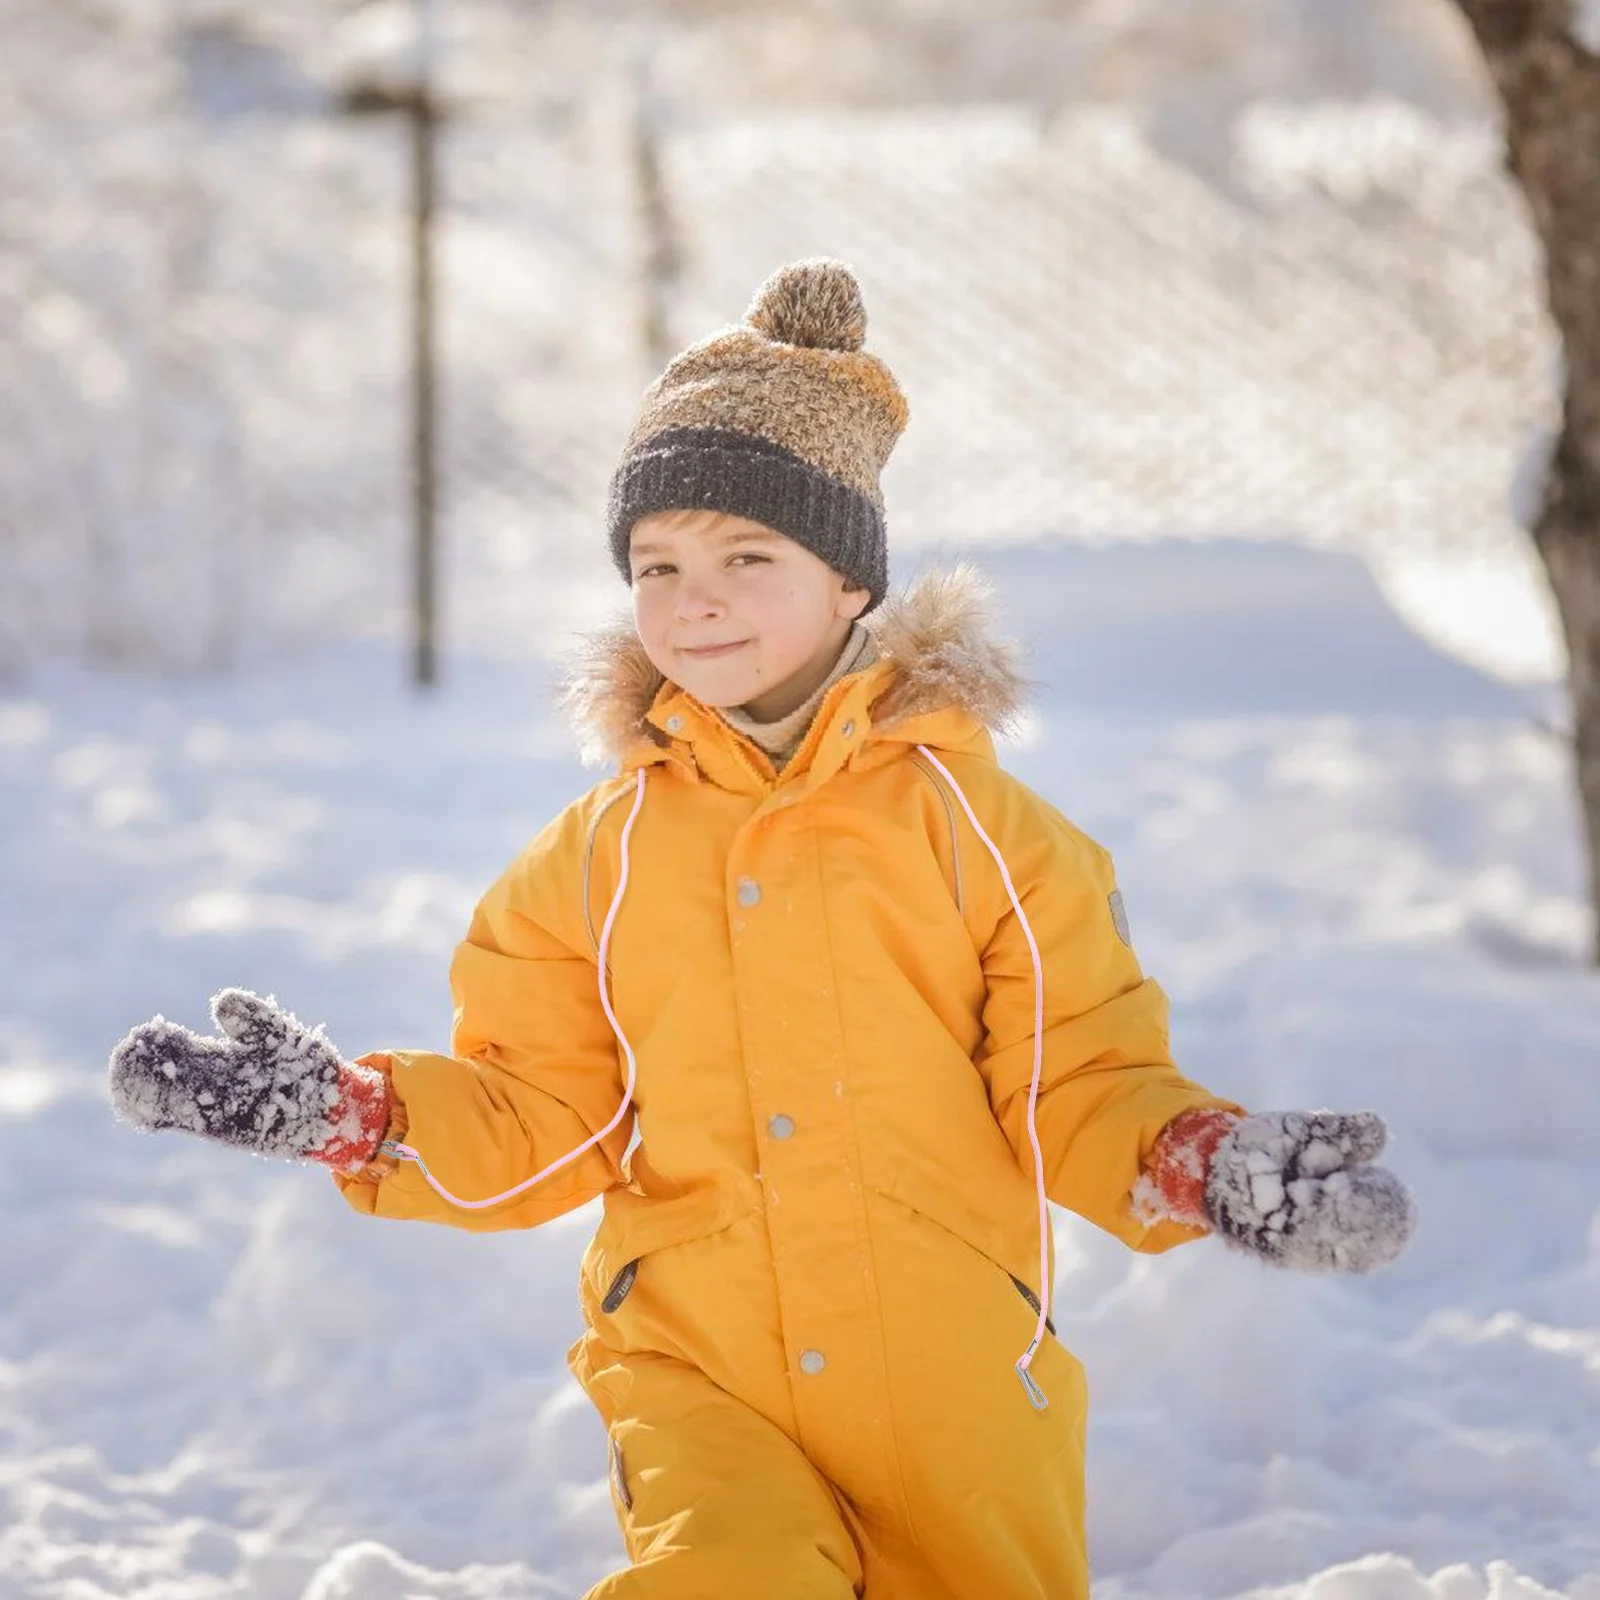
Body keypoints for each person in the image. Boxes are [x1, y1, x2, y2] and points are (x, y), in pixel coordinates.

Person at [108, 259, 1417, 1599]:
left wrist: (1201, 1162)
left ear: (852, 583)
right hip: (693, 1363)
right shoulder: (595, 862)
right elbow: (541, 1113)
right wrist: (358, 1117)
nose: (695, 599)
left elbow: (1072, 1080)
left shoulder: (986, 837)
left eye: (748, 556)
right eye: (657, 565)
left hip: (945, 1374)